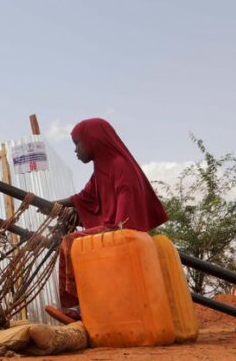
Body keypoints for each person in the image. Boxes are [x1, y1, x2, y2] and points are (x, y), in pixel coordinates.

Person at [46, 118, 168, 324]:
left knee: (70, 242)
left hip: (123, 230)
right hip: (114, 229)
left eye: (77, 143)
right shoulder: (101, 169)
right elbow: (84, 197)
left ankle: (78, 307)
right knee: (72, 242)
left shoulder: (120, 165)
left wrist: (116, 229)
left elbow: (124, 213)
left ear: (93, 140)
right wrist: (53, 205)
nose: (75, 150)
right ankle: (82, 306)